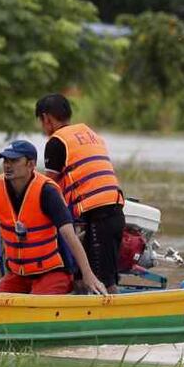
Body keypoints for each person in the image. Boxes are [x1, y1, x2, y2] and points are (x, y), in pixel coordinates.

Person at [0, 140, 108, 296]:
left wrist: (88, 275)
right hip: (18, 275)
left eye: (14, 160)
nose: (7, 165)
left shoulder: (47, 192)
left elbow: (69, 235)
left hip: (51, 273)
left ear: (31, 165)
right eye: (5, 160)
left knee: (34, 304)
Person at [34, 93, 126, 294]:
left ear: (47, 118)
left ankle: (113, 318)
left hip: (99, 214)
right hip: (113, 208)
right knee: (88, 275)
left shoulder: (57, 141)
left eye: (41, 122)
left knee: (101, 281)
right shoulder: (89, 133)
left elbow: (47, 185)